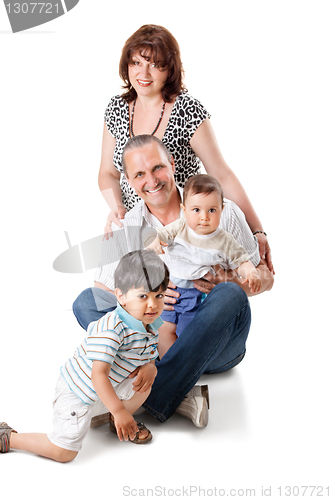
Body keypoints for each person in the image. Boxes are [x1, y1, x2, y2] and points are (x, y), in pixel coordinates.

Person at [73, 135, 274, 427]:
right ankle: (182, 391)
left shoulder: (220, 210)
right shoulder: (128, 226)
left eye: (157, 168)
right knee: (86, 303)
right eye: (140, 174)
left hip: (215, 345)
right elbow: (105, 292)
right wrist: (144, 298)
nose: (151, 181)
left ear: (173, 165)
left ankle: (146, 397)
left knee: (230, 294)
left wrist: (229, 281)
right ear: (129, 181)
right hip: (159, 334)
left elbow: (266, 278)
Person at [98, 24, 274, 273]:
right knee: (112, 295)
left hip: (185, 226)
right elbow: (107, 172)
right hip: (138, 227)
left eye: (155, 64)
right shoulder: (116, 108)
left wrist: (256, 229)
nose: (144, 73)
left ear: (170, 69)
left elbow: (220, 174)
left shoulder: (187, 110)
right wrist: (118, 209)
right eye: (136, 63)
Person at [0, 250, 169, 461]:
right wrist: (119, 410)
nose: (152, 305)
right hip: (80, 390)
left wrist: (150, 367)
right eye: (143, 296)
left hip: (108, 387)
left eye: (159, 296)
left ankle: (114, 420)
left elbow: (149, 353)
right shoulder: (112, 329)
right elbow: (97, 375)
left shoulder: (150, 322)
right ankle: (8, 437)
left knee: (145, 381)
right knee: (64, 453)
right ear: (121, 296)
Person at [147, 174, 262, 357]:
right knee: (164, 330)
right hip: (172, 291)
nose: (204, 217)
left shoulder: (224, 240)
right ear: (184, 210)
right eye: (196, 210)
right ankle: (169, 366)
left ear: (221, 210)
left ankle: (185, 365)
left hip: (197, 294)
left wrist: (251, 273)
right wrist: (154, 243)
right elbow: (159, 234)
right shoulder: (181, 226)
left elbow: (242, 261)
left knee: (187, 333)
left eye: (212, 210)